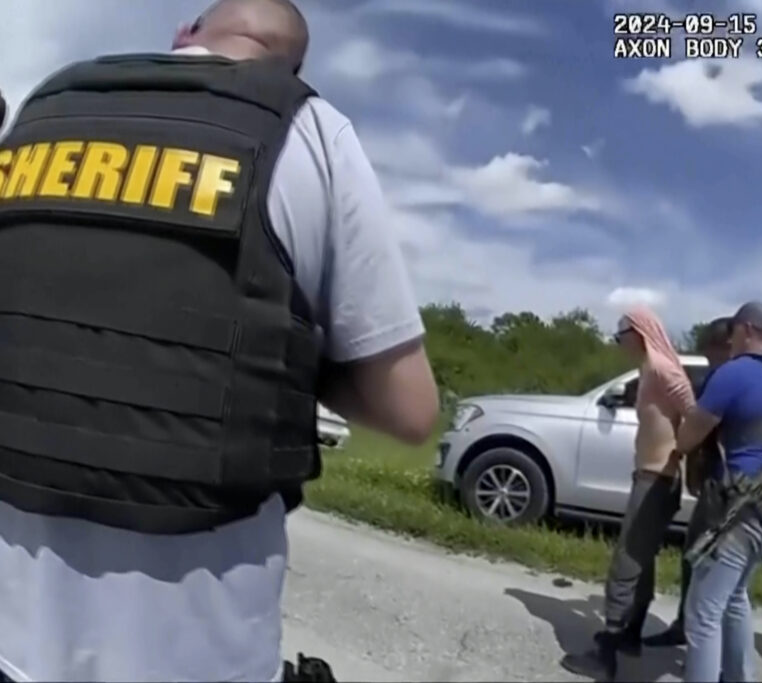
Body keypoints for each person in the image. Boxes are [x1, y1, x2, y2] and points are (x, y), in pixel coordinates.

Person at [0, 1, 439, 680]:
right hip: (201, 650)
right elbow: (411, 411)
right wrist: (283, 353)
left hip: (14, 633)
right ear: (290, 67)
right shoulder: (306, 126)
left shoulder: (45, 106)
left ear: (184, 37)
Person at [672, 301, 762, 683]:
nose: (729, 340)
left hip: (740, 506)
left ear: (746, 329)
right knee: (734, 598)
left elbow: (687, 438)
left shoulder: (734, 373)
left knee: (702, 613)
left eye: (733, 331)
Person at [560, 306, 696, 681]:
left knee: (625, 564)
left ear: (637, 333)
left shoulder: (663, 370)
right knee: (642, 559)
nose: (617, 342)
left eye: (621, 335)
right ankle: (631, 636)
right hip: (652, 478)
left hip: (657, 480)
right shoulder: (650, 369)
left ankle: (607, 652)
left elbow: (697, 417)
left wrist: (679, 453)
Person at [643, 315, 733, 648]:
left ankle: (698, 633)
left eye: (711, 349)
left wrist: (682, 446)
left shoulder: (725, 379)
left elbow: (699, 429)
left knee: (703, 559)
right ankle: (698, 629)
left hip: (722, 486)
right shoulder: (742, 377)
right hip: (724, 483)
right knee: (710, 562)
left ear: (726, 345)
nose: (708, 356)